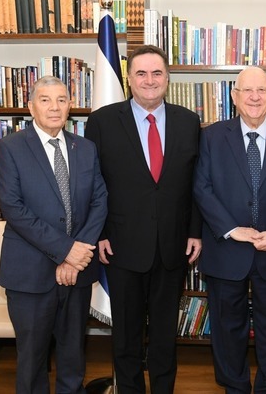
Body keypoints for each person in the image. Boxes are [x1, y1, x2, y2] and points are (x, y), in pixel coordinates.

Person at [85, 44, 202, 393]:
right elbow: (92, 183)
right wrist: (100, 233)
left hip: (173, 246)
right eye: (141, 73)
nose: (149, 80)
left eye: (156, 73)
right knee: (126, 337)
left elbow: (196, 182)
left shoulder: (189, 122)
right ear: (129, 79)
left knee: (165, 336)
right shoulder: (102, 122)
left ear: (167, 78)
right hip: (121, 246)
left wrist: (195, 231)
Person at [193, 66, 266, 393]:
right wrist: (232, 229)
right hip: (227, 248)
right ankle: (235, 387)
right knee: (227, 327)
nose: (255, 97)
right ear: (235, 96)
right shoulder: (212, 136)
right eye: (247, 90)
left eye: (262, 90)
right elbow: (201, 188)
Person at [0, 75, 108, 393]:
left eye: (61, 100)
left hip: (77, 273)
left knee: (73, 356)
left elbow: (100, 200)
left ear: (70, 106)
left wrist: (76, 254)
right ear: (31, 107)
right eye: (45, 100)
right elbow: (14, 209)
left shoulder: (85, 148)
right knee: (32, 360)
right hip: (30, 273)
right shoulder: (10, 148)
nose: (54, 107)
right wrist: (66, 251)